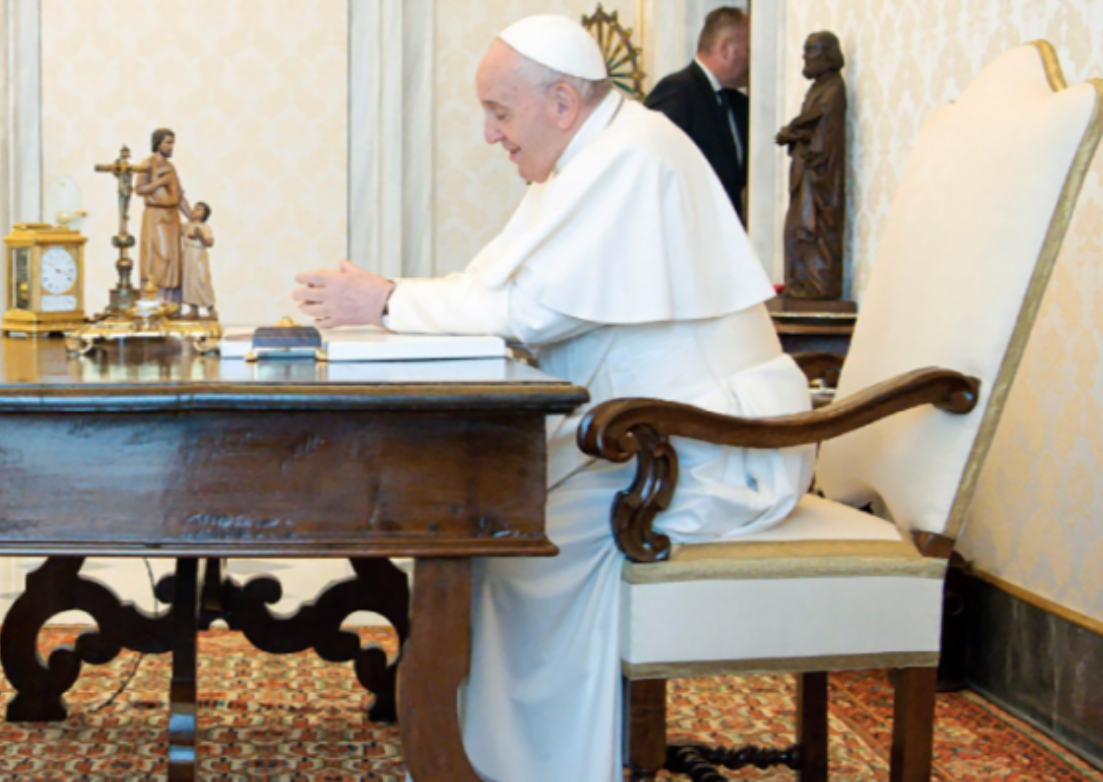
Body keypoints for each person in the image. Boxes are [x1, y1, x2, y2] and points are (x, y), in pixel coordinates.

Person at [290, 15, 812, 781]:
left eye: (499, 113)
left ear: (562, 103)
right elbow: (495, 290)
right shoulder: (589, 158)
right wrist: (390, 302)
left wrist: (388, 300)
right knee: (490, 514)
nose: (489, 135)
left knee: (519, 533)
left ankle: (539, 768)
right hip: (646, 438)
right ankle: (483, 754)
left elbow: (530, 312)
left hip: (712, 451)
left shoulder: (633, 156)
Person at [646, 7, 751, 221]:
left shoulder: (741, 104)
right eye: (749, 50)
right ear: (725, 49)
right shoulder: (677, 91)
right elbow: (652, 168)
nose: (753, 61)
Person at [776, 31, 848, 300]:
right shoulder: (817, 88)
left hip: (819, 177)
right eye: (805, 50)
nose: (805, 57)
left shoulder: (833, 89)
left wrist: (793, 134)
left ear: (828, 56)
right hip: (805, 174)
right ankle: (799, 283)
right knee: (795, 230)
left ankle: (817, 286)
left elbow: (823, 133)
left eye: (812, 51)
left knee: (813, 230)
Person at [135, 128, 195, 302]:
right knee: (160, 256)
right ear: (157, 143)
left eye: (172, 143)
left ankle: (170, 302)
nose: (171, 147)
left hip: (172, 216)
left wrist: (191, 216)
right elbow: (139, 189)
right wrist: (161, 181)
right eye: (168, 143)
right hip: (156, 216)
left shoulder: (170, 167)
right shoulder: (148, 164)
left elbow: (179, 194)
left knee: (173, 260)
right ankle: (155, 298)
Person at [180, 201, 216, 319]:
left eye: (199, 209)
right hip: (188, 256)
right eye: (195, 208)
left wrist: (200, 235)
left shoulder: (204, 227)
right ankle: (193, 309)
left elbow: (210, 242)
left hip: (199, 256)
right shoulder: (187, 225)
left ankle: (211, 309)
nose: (195, 211)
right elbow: (177, 230)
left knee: (202, 281)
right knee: (190, 282)